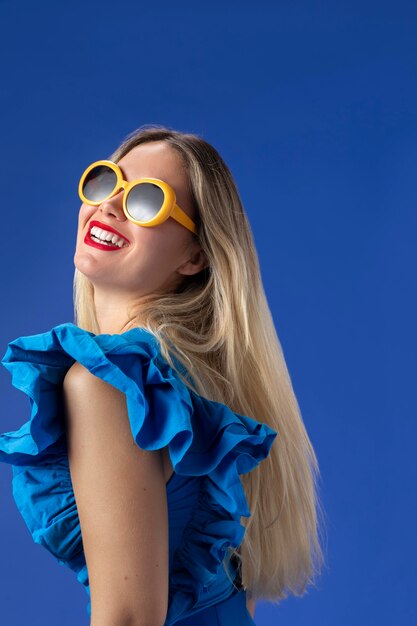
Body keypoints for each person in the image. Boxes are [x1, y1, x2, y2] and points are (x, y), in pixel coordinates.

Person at [0, 125, 324, 625]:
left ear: (196, 256)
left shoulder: (106, 387)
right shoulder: (201, 380)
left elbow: (127, 618)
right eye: (106, 182)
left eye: (147, 201)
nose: (109, 206)